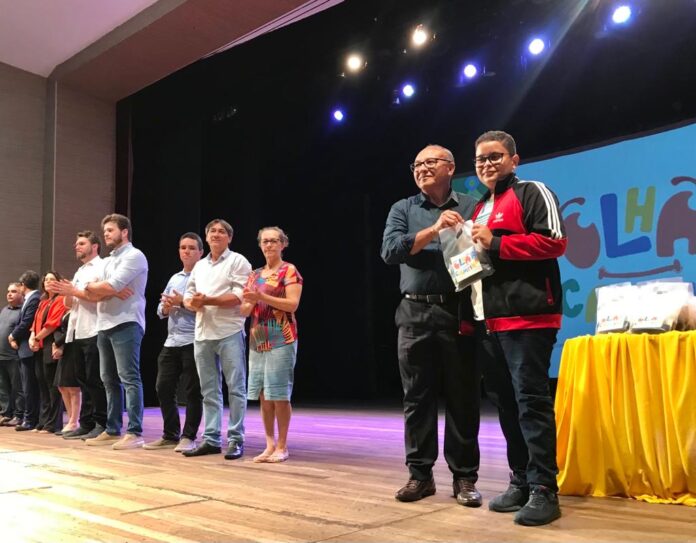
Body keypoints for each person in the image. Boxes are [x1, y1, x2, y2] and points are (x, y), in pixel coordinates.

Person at [470, 130, 567, 526]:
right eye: (480, 159)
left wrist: (495, 243)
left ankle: (545, 489)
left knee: (531, 402)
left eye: (495, 156)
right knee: (507, 405)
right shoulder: (480, 206)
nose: (487, 164)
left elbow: (554, 242)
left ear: (514, 159)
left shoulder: (532, 192)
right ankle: (521, 480)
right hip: (489, 321)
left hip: (529, 316)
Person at [381, 144, 482, 505]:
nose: (421, 169)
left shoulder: (472, 206)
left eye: (430, 163)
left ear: (450, 168)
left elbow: (485, 251)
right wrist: (435, 230)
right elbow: (390, 251)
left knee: (463, 397)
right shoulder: (403, 208)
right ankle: (420, 475)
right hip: (414, 312)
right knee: (417, 398)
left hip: (459, 311)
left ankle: (465, 478)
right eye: (417, 164)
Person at [182, 219, 251, 460]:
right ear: (207, 236)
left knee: (236, 388)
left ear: (229, 238)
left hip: (229, 331)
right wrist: (191, 302)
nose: (216, 234)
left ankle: (236, 439)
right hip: (203, 333)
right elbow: (189, 294)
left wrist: (207, 301)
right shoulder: (200, 266)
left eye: (222, 232)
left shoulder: (238, 261)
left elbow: (239, 296)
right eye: (212, 231)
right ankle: (211, 439)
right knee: (209, 390)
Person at [83, 214, 148, 450]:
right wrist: (95, 288)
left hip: (126, 322)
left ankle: (135, 432)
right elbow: (89, 293)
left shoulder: (134, 255)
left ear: (124, 232)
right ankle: (112, 429)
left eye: (110, 230)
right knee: (108, 380)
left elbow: (112, 285)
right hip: (104, 324)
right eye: (105, 231)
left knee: (129, 378)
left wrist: (102, 288)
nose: (106, 234)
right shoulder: (108, 261)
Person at [241, 227, 303, 463]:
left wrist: (262, 297)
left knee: (279, 393)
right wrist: (248, 302)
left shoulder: (289, 270)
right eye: (265, 241)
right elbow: (245, 310)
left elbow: (292, 304)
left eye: (274, 241)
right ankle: (269, 444)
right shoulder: (254, 275)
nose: (269, 245)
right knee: (264, 394)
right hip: (258, 339)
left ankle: (282, 445)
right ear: (260, 245)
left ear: (283, 244)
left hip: (281, 338)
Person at [143, 233, 204, 453]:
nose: (186, 251)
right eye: (183, 247)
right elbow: (160, 309)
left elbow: (205, 307)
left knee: (192, 391)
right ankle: (170, 434)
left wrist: (182, 303)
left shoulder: (204, 276)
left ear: (200, 252)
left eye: (191, 248)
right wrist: (167, 307)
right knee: (163, 388)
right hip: (172, 341)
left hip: (194, 340)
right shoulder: (175, 278)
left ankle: (189, 436)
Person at [47, 230, 108, 440]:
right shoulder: (80, 270)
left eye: (82, 243)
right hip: (77, 330)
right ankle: (86, 423)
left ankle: (101, 423)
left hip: (94, 328)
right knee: (82, 380)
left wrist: (73, 291)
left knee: (94, 379)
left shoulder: (102, 267)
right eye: (77, 243)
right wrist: (66, 292)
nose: (77, 246)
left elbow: (100, 296)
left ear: (94, 246)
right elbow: (69, 304)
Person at [28, 271, 68, 434]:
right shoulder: (43, 302)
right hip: (39, 344)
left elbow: (52, 324)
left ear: (59, 282)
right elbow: (35, 323)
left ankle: (53, 424)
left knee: (52, 386)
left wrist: (37, 338)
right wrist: (32, 338)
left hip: (50, 343)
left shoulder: (60, 300)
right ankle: (43, 421)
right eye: (46, 280)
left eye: (52, 279)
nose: (48, 282)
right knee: (42, 385)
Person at [10, 270, 41, 431]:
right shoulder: (30, 299)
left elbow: (27, 322)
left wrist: (12, 335)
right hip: (23, 348)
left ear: (23, 285)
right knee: (25, 386)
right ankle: (28, 418)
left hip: (28, 348)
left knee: (29, 386)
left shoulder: (34, 298)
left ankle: (30, 419)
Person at [0, 283, 24, 426]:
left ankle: (18, 414)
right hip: (1, 355)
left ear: (21, 294)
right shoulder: (4, 310)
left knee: (17, 387)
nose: (9, 294)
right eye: (8, 291)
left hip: (14, 355)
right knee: (2, 387)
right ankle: (6, 413)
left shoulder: (22, 311)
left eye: (14, 291)